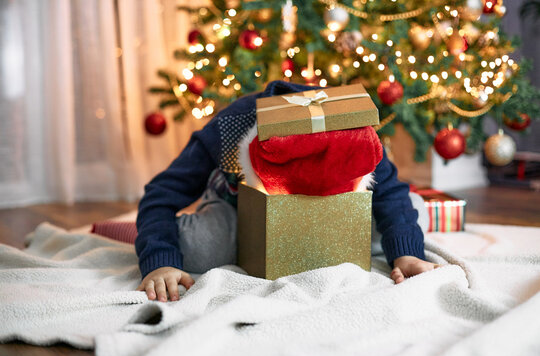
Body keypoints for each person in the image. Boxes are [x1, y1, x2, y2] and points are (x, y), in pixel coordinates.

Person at [135, 80, 439, 302]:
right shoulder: (229, 128)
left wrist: (407, 255)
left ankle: (361, 232)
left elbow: (390, 193)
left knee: (411, 208)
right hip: (239, 207)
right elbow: (161, 193)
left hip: (338, 210)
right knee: (200, 247)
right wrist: (161, 260)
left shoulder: (357, 136)